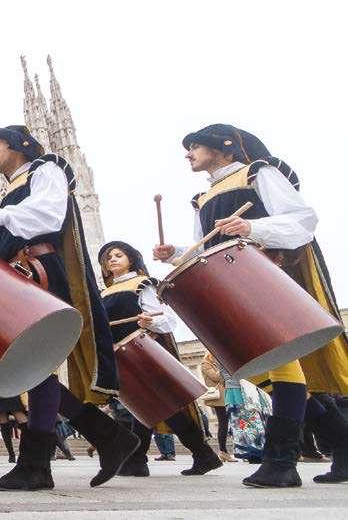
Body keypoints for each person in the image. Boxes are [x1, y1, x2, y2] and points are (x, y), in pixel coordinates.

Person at [154, 124, 348, 487]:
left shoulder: (259, 172)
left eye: (195, 146)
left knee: (281, 361)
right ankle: (342, 441)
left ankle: (282, 461)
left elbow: (301, 221)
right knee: (259, 370)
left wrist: (252, 228)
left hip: (268, 277)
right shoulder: (204, 198)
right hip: (235, 287)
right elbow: (208, 249)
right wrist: (178, 254)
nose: (188, 153)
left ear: (224, 148)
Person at [0, 125, 139, 490]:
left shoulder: (46, 169)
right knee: (32, 368)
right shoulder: (12, 189)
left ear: (19, 146)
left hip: (43, 274)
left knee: (35, 366)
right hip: (23, 277)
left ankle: (40, 463)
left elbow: (47, 218)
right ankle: (104, 438)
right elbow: (12, 238)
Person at [98, 241, 221, 477]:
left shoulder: (142, 284)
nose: (112, 260)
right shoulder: (104, 292)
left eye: (118, 255)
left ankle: (199, 454)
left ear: (130, 259)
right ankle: (142, 459)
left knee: (158, 405)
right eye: (108, 258)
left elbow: (166, 320)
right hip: (118, 354)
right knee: (141, 405)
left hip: (141, 350)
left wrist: (149, 321)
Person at [202, 352, 236, 463]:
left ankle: (225, 452)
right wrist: (224, 368)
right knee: (223, 423)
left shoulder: (216, 365)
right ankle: (223, 451)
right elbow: (217, 378)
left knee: (227, 422)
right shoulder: (206, 364)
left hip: (226, 395)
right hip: (219, 398)